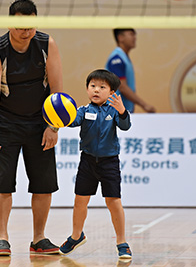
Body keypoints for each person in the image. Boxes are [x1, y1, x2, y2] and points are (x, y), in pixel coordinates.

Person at [0, 0, 63, 256]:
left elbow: (57, 90)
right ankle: (1, 238)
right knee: (2, 184)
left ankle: (39, 238)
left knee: (43, 184)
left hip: (40, 123)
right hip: (7, 123)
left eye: (30, 25)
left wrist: (53, 126)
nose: (26, 32)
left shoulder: (46, 44)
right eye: (20, 26)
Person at [59, 69, 132, 260]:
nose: (96, 90)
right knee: (80, 201)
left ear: (112, 92)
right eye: (92, 86)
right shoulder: (83, 111)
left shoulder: (115, 112)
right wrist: (59, 114)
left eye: (102, 87)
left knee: (113, 201)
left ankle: (122, 242)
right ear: (87, 89)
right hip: (88, 161)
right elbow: (71, 121)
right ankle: (76, 236)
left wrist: (123, 111)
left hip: (109, 163)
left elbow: (125, 126)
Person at [105, 28, 156, 113]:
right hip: (115, 112)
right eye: (131, 34)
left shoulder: (123, 57)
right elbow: (122, 87)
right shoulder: (117, 59)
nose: (135, 37)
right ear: (120, 37)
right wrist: (144, 105)